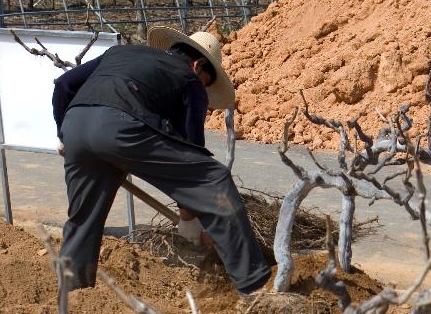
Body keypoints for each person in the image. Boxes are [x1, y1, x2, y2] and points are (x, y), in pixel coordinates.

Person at [51, 27, 271, 294]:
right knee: (216, 180)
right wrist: (189, 218)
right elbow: (192, 156)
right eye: (205, 81)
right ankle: (255, 286)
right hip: (121, 129)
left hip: (75, 126)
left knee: (83, 219)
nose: (202, 87)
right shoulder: (190, 80)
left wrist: (65, 134)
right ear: (198, 64)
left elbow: (64, 85)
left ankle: (72, 297)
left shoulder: (120, 52)